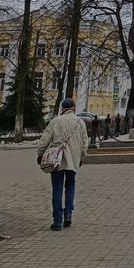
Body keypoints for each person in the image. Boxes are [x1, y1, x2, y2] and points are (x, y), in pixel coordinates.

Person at [36, 98, 89, 231]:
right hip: (73, 160)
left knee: (57, 188)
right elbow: (84, 144)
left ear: (62, 109)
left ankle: (57, 221)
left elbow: (45, 139)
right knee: (70, 185)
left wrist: (40, 154)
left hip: (56, 160)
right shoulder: (80, 122)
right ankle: (68, 215)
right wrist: (82, 158)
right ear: (74, 108)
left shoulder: (56, 121)